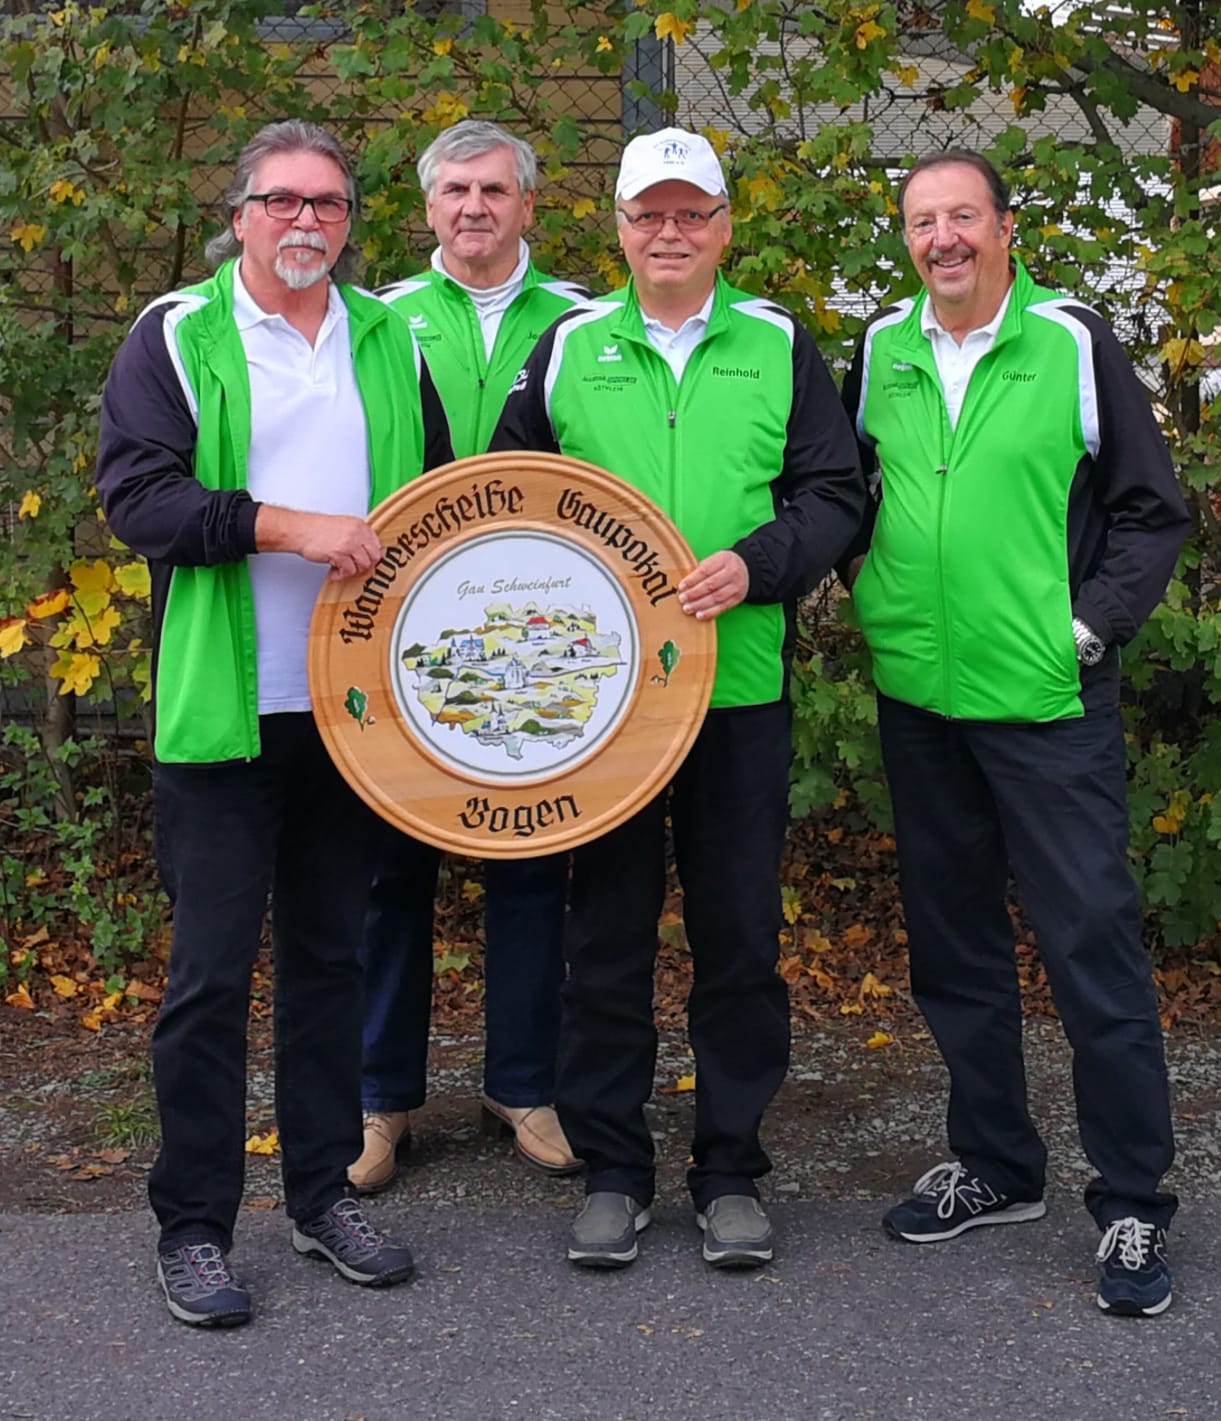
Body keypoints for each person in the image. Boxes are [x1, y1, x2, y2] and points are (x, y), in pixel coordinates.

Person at [96, 119, 453, 1327]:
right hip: (227, 708)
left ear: (350, 222)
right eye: (284, 200)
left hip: (349, 712)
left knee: (330, 963)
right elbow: (139, 498)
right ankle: (194, 1225)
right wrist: (291, 527)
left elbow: (434, 503)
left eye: (329, 203)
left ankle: (320, 1195)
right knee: (208, 977)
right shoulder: (176, 332)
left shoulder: (388, 337)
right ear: (240, 214)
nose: (307, 220)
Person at [491, 128, 865, 1270]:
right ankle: (614, 1168)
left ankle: (729, 1168)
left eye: (690, 212)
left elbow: (835, 494)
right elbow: (506, 500)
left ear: (723, 226)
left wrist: (758, 563)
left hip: (736, 691)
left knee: (738, 937)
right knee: (604, 938)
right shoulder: (570, 344)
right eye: (648, 213)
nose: (669, 232)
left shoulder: (778, 342)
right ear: (617, 227)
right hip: (600, 706)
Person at [841, 149, 1190, 1317]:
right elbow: (846, 492)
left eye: (962, 216)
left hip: (1045, 698)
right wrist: (872, 593)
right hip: (920, 697)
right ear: (906, 238)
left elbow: (1150, 510)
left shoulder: (1070, 341)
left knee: (1089, 943)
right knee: (953, 947)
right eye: (921, 220)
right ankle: (995, 1162)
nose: (941, 237)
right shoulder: (881, 347)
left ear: (1002, 227)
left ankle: (1134, 1198)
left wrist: (1086, 629)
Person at [350, 121, 589, 1192]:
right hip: (400, 636)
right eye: (454, 189)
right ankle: (379, 1097)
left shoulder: (584, 321)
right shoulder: (375, 322)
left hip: (538, 637)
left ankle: (524, 1085)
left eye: (494, 189)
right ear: (427, 206)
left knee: (533, 862)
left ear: (529, 204)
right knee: (386, 871)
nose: (474, 207)